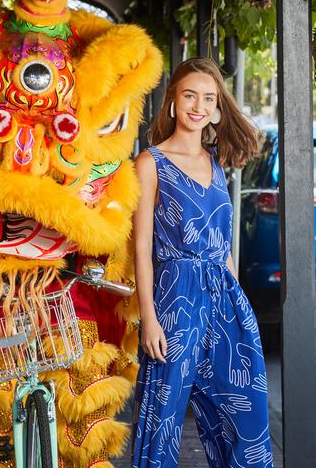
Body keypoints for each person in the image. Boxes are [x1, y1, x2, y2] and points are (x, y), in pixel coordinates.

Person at [131, 57, 273, 467]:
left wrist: (239, 304)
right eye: (190, 95)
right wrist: (149, 318)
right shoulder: (150, 163)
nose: (199, 106)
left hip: (226, 301)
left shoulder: (215, 162)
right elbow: (142, 247)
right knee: (161, 421)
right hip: (176, 302)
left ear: (216, 108)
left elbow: (223, 246)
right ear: (173, 101)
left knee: (246, 415)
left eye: (208, 99)